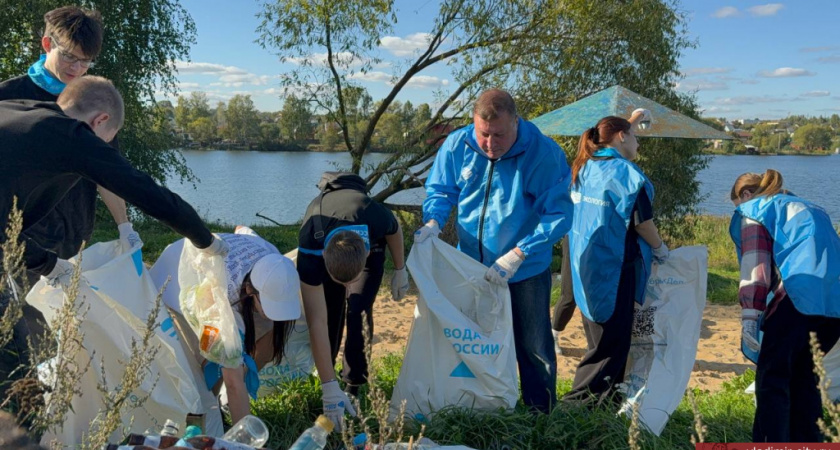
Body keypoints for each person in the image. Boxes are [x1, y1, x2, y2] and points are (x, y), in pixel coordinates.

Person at [0, 76, 228, 395]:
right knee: (8, 357)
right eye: (108, 140)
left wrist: (47, 261)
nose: (104, 148)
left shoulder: (19, 109)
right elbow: (146, 191)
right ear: (101, 121)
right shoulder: (72, 135)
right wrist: (207, 240)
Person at [416, 88, 573, 413]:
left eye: (499, 134)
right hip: (470, 268)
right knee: (471, 340)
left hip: (525, 270)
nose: (490, 143)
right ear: (473, 124)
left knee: (533, 346)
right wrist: (432, 221)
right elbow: (441, 190)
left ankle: (539, 415)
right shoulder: (459, 144)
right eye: (483, 134)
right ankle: (477, 405)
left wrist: (521, 252)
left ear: (516, 122)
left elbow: (559, 214)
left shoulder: (543, 153)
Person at [0, 6, 138, 258]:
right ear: (47, 44)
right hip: (19, 241)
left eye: (85, 61)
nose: (76, 68)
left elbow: (107, 171)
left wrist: (124, 225)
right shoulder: (7, 98)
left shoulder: (94, 103)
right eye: (69, 57)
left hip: (74, 237)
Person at [563, 110, 669, 407]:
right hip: (616, 269)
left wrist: (631, 121)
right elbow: (643, 223)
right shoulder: (628, 175)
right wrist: (661, 249)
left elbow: (614, 134)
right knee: (611, 346)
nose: (638, 144)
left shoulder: (585, 165)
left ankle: (603, 407)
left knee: (599, 340)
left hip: (586, 265)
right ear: (622, 137)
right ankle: (575, 407)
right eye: (634, 136)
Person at [729, 169, 840, 443]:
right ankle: (808, 442)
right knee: (806, 380)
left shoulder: (755, 209)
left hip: (797, 300)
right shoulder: (813, 208)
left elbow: (757, 267)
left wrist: (750, 317)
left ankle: (770, 444)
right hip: (834, 306)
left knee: (773, 382)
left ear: (744, 195)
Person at [154, 226, 301, 425]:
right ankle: (206, 412)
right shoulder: (218, 304)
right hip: (175, 280)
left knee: (262, 336)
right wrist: (246, 440)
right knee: (211, 360)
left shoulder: (272, 261)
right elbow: (232, 382)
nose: (273, 314)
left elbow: (242, 230)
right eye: (268, 305)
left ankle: (225, 403)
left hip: (218, 274)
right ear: (249, 289)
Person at [297, 171, 408, 429]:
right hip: (327, 245)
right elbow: (316, 320)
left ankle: (354, 383)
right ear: (323, 257)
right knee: (330, 313)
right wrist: (327, 386)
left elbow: (395, 230)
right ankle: (330, 382)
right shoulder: (310, 239)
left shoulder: (374, 214)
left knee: (356, 308)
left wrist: (400, 268)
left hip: (369, 248)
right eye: (341, 281)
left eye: (350, 280)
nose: (347, 286)